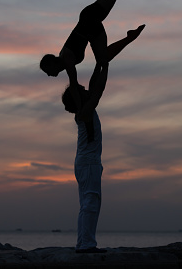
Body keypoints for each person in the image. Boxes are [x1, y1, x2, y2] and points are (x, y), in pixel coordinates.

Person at [41, 0, 145, 112]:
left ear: (52, 64)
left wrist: (79, 108)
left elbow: (74, 86)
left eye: (48, 71)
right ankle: (130, 37)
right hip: (88, 21)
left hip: (89, 23)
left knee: (104, 59)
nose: (50, 75)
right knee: (103, 59)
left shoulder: (67, 59)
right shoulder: (64, 57)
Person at [61, 62, 109, 253]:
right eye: (82, 91)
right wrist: (104, 67)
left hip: (86, 163)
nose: (86, 91)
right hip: (88, 164)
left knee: (89, 203)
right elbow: (98, 89)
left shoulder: (84, 112)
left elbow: (93, 85)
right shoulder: (85, 112)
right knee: (90, 202)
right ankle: (86, 245)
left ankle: (84, 243)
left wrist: (100, 65)